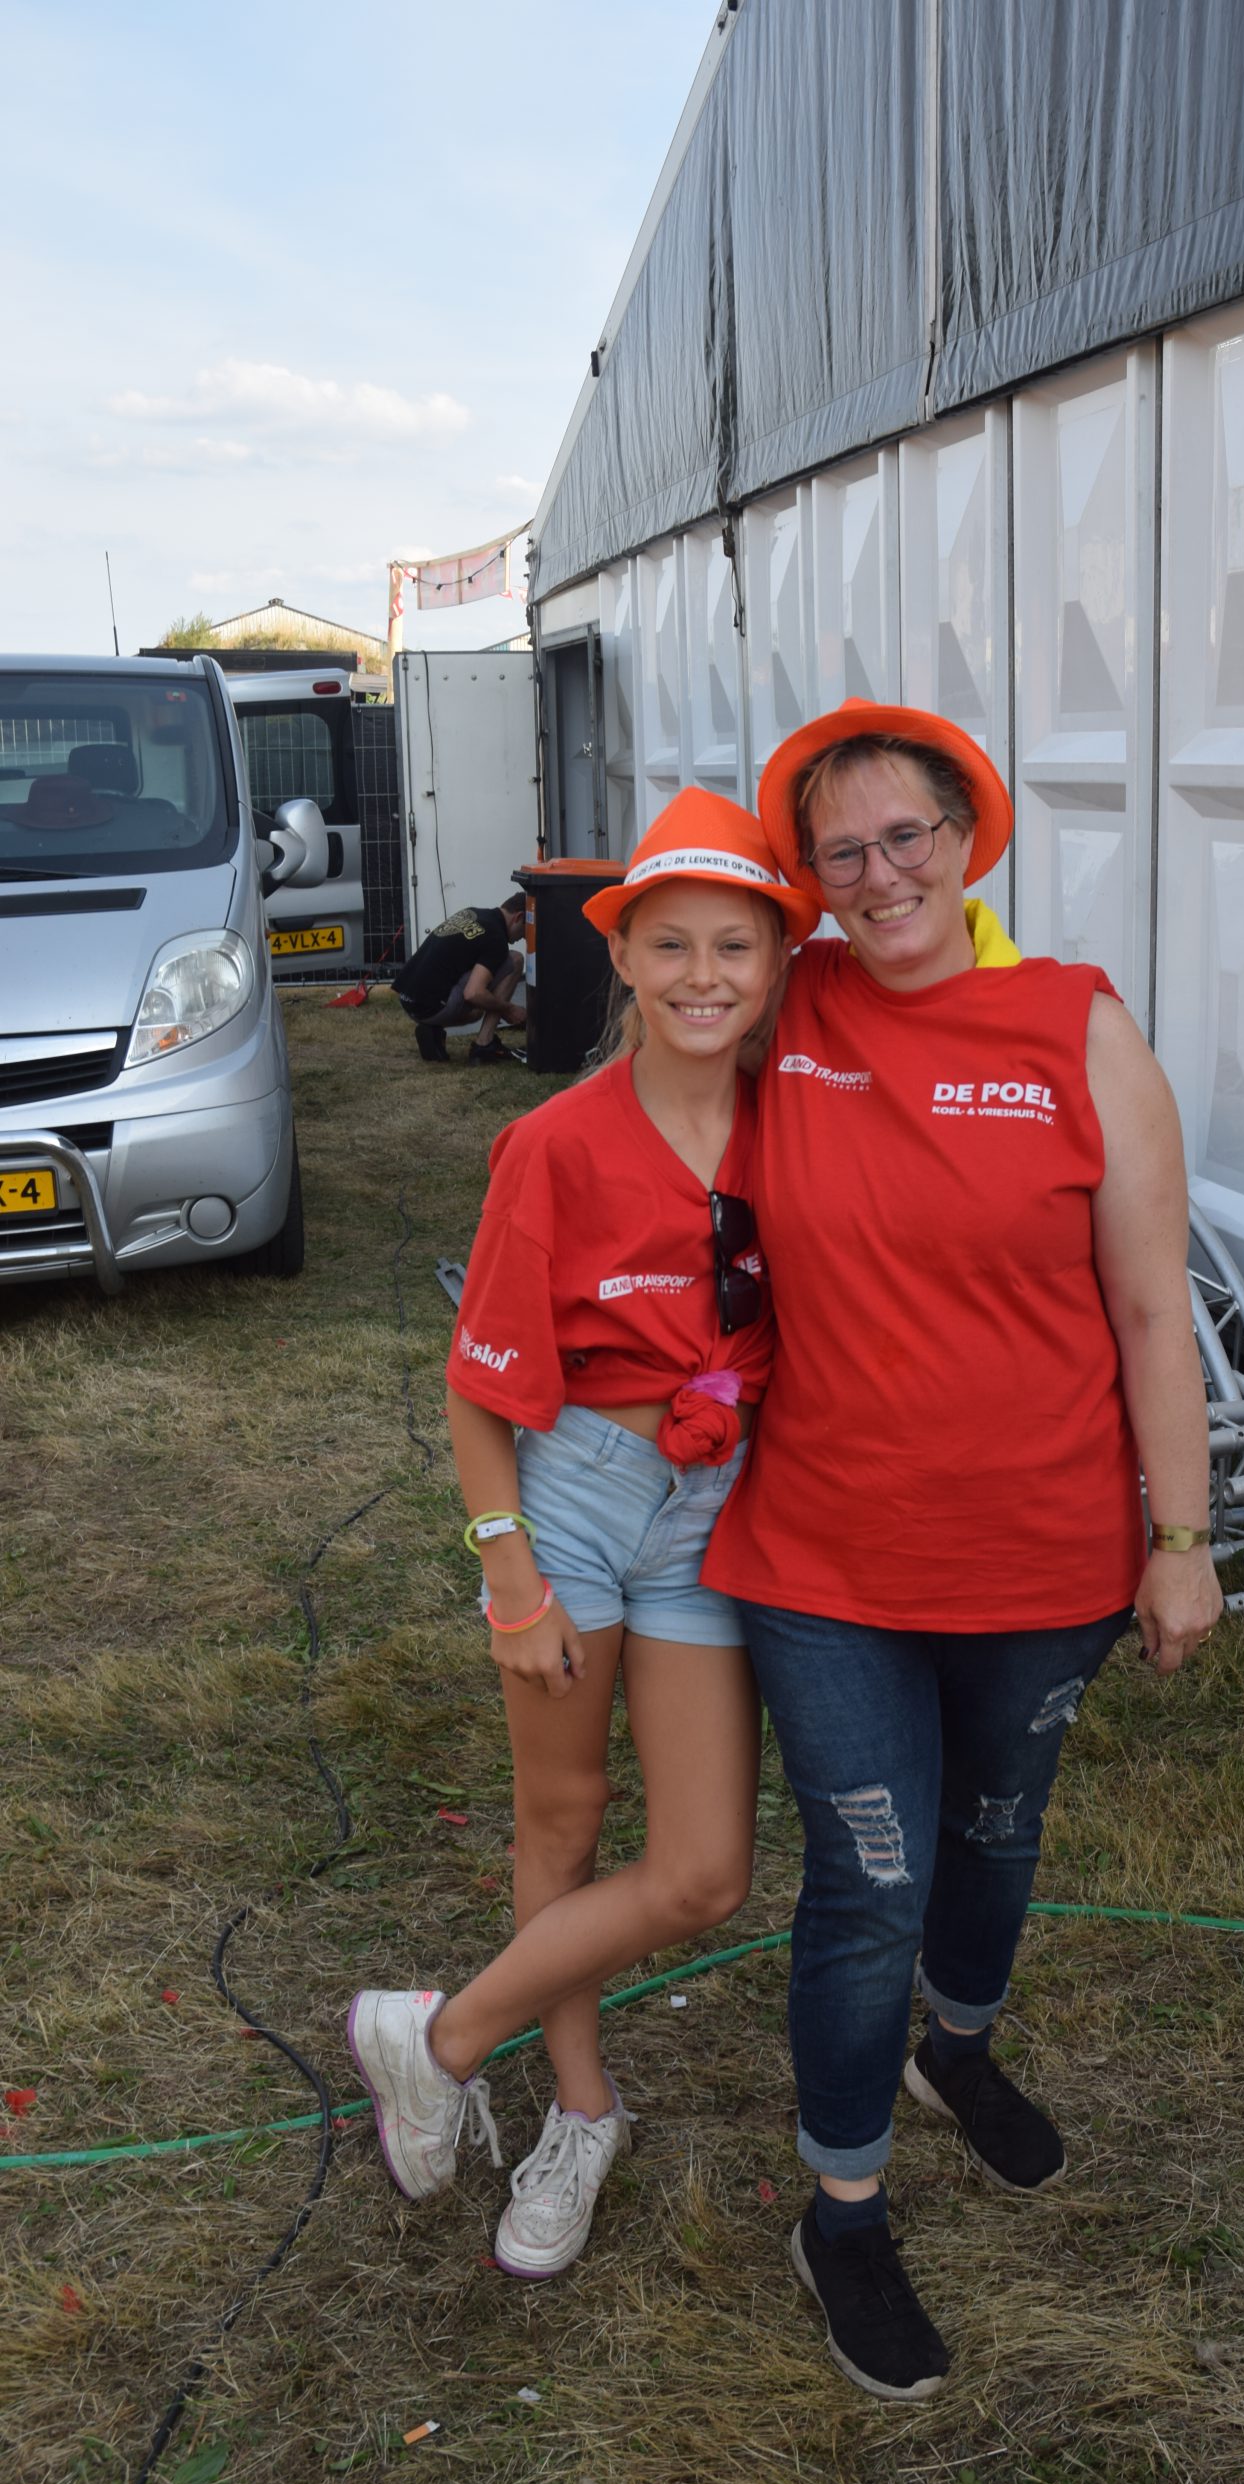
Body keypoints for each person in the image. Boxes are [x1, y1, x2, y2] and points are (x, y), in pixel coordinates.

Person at [701, 700, 1224, 2401]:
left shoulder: (1077, 1026)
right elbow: (641, 1086)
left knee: (995, 1837)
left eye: (902, 837)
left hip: (1043, 1552)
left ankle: (961, 2051)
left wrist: (1179, 1537)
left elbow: (1150, 1310)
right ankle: (842, 2212)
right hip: (825, 1556)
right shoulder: (784, 1006)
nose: (876, 877)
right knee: (867, 1884)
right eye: (837, 853)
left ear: (964, 835)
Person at [347, 791, 818, 2278]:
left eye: (733, 946)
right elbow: (475, 1387)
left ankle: (438, 2037)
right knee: (561, 1818)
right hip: (579, 1500)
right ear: (616, 955)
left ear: (775, 962)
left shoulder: (802, 1125)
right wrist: (511, 1574)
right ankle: (580, 2113)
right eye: (668, 944)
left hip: (719, 1505)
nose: (701, 976)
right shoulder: (554, 1146)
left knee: (705, 1870)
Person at [393, 892, 528, 1064]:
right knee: (515, 960)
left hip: (408, 1000)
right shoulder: (496, 937)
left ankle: (432, 1029)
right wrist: (508, 1008)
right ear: (518, 917)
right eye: (526, 930)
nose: (523, 937)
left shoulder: (472, 912)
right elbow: (473, 993)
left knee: (478, 1009)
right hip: (432, 1008)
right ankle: (484, 1045)